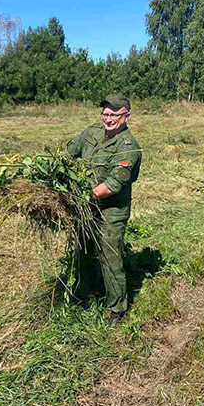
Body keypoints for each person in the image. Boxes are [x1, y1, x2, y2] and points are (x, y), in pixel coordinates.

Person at [66, 95, 142, 324]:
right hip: (86, 205)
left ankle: (117, 308)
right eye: (105, 114)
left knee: (109, 256)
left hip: (111, 208)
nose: (108, 119)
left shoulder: (128, 147)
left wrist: (80, 197)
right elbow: (68, 153)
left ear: (126, 116)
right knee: (83, 250)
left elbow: (112, 185)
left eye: (114, 115)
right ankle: (84, 293)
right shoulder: (92, 132)